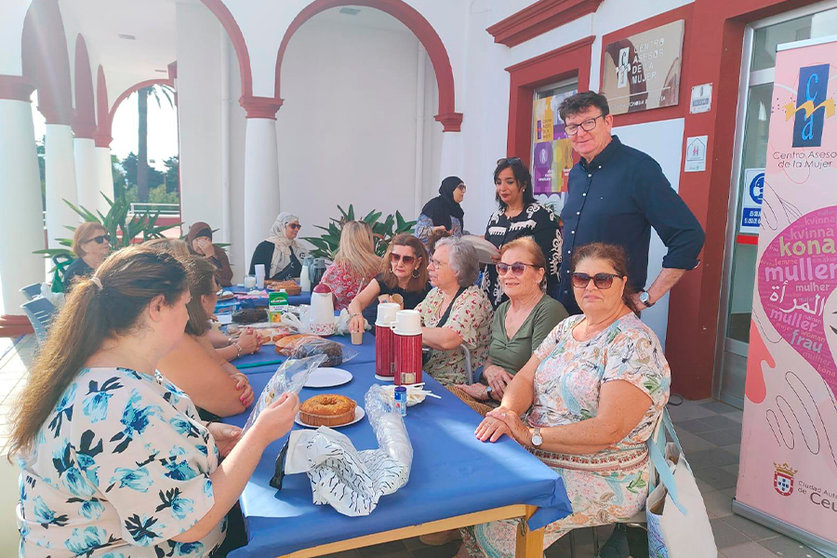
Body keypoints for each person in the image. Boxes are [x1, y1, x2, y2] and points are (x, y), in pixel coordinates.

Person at [11, 246, 300, 557]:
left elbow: (145, 440)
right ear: (158, 307)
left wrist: (203, 433)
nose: (192, 316)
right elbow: (192, 524)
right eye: (186, 305)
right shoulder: (116, 405)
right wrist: (259, 436)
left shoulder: (101, 366)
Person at [458, 243, 670, 558]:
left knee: (501, 521)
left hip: (604, 472)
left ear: (623, 283)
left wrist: (531, 435)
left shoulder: (633, 342)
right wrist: (505, 413)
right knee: (470, 487)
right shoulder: (570, 326)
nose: (590, 286)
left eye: (603, 279)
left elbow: (608, 429)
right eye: (581, 278)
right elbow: (526, 378)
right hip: (540, 453)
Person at [557, 91, 705, 315]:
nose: (580, 133)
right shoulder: (577, 174)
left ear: (608, 122)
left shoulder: (639, 169)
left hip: (613, 312)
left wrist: (648, 297)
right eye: (572, 126)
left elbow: (688, 235)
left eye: (588, 122)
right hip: (569, 309)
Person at [455, 237, 567, 403]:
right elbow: (491, 359)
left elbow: (539, 380)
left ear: (539, 274)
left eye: (518, 268)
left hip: (517, 408)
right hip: (487, 396)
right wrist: (489, 370)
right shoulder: (502, 309)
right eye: (503, 268)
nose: (508, 275)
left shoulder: (549, 311)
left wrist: (488, 392)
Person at [157, 257, 256, 419]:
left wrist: (240, 378)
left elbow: (219, 362)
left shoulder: (194, 332)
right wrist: (239, 384)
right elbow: (235, 402)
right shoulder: (176, 342)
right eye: (184, 303)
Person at [482, 158, 562, 308]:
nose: (502, 188)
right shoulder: (495, 218)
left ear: (523, 184)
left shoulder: (540, 216)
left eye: (509, 182)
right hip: (494, 296)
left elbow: (553, 261)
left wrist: (511, 260)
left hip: (528, 300)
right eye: (498, 182)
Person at [417, 237, 493, 386]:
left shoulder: (474, 299)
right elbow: (412, 318)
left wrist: (406, 329)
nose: (429, 267)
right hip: (426, 376)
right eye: (431, 261)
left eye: (437, 263)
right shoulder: (436, 294)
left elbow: (448, 339)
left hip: (454, 385)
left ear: (458, 270)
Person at [347, 234, 431, 333]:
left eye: (407, 259)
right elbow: (357, 302)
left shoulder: (426, 290)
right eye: (395, 257)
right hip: (373, 334)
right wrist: (356, 316)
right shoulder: (383, 279)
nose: (400, 264)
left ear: (418, 263)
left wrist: (400, 314)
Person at [319, 221, 382, 310]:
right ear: (368, 240)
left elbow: (324, 308)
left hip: (344, 320)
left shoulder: (335, 270)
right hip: (374, 319)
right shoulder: (381, 266)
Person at [249, 212, 307, 280]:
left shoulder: (298, 247)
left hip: (295, 289)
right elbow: (253, 276)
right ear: (281, 227)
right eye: (293, 226)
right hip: (270, 289)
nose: (296, 229)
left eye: (298, 226)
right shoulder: (264, 247)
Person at [415, 176, 466, 247]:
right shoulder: (433, 206)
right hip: (432, 253)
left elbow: (457, 234)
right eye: (461, 187)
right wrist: (434, 230)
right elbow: (419, 233)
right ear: (450, 188)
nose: (463, 191)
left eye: (464, 188)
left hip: (451, 252)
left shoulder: (457, 209)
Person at [63, 222, 111, 290]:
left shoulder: (110, 264)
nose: (106, 242)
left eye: (106, 237)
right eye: (99, 239)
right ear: (84, 247)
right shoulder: (75, 272)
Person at [186, 221, 234, 287]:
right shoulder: (185, 253)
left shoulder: (219, 252)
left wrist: (211, 256)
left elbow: (227, 277)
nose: (202, 244)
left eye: (206, 239)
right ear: (191, 241)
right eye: (198, 240)